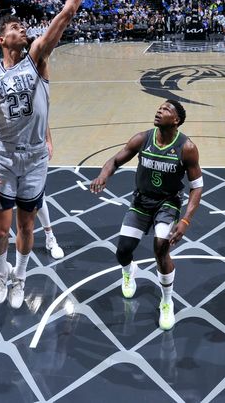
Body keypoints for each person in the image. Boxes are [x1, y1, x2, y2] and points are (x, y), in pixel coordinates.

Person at [0, 0, 111, 309]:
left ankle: (20, 278)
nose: (23, 28)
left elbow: (67, 12)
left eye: (23, 26)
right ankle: (0, 273)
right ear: (2, 40)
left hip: (35, 158)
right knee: (1, 230)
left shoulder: (38, 57)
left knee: (26, 228)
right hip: (3, 158)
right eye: (14, 27)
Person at [90, 100, 203, 331]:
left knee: (161, 247)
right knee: (122, 251)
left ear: (176, 120)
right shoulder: (142, 139)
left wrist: (185, 220)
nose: (160, 111)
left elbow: (197, 186)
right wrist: (104, 175)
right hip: (141, 202)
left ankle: (167, 301)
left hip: (167, 204)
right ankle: (129, 271)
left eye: (166, 110)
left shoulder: (187, 148)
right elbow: (115, 160)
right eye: (159, 107)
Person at [0, 108, 63, 259]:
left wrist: (48, 140)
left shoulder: (31, 89)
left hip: (30, 155)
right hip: (4, 156)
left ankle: (50, 237)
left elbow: (41, 116)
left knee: (39, 199)